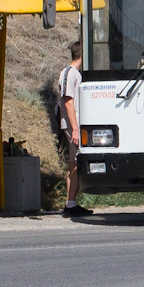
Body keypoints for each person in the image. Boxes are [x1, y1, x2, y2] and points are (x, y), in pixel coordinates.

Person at [57, 42, 93, 217]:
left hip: (74, 125)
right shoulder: (69, 74)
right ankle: (71, 204)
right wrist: (75, 129)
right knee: (77, 164)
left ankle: (71, 202)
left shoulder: (75, 74)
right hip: (73, 125)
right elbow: (68, 101)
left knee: (74, 163)